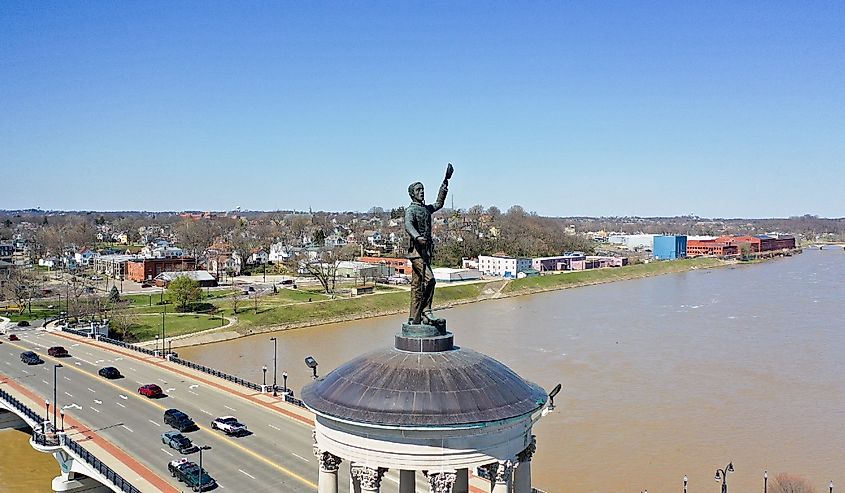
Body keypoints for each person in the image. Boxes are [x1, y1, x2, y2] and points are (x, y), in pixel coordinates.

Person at [405, 163, 453, 325]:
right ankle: (427, 310)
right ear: (412, 194)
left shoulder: (425, 209)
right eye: (418, 190)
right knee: (430, 280)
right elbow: (408, 225)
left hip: (426, 252)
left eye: (422, 189)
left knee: (416, 285)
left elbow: (439, 204)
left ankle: (414, 318)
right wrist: (417, 237)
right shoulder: (410, 210)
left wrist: (445, 182)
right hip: (416, 252)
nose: (422, 192)